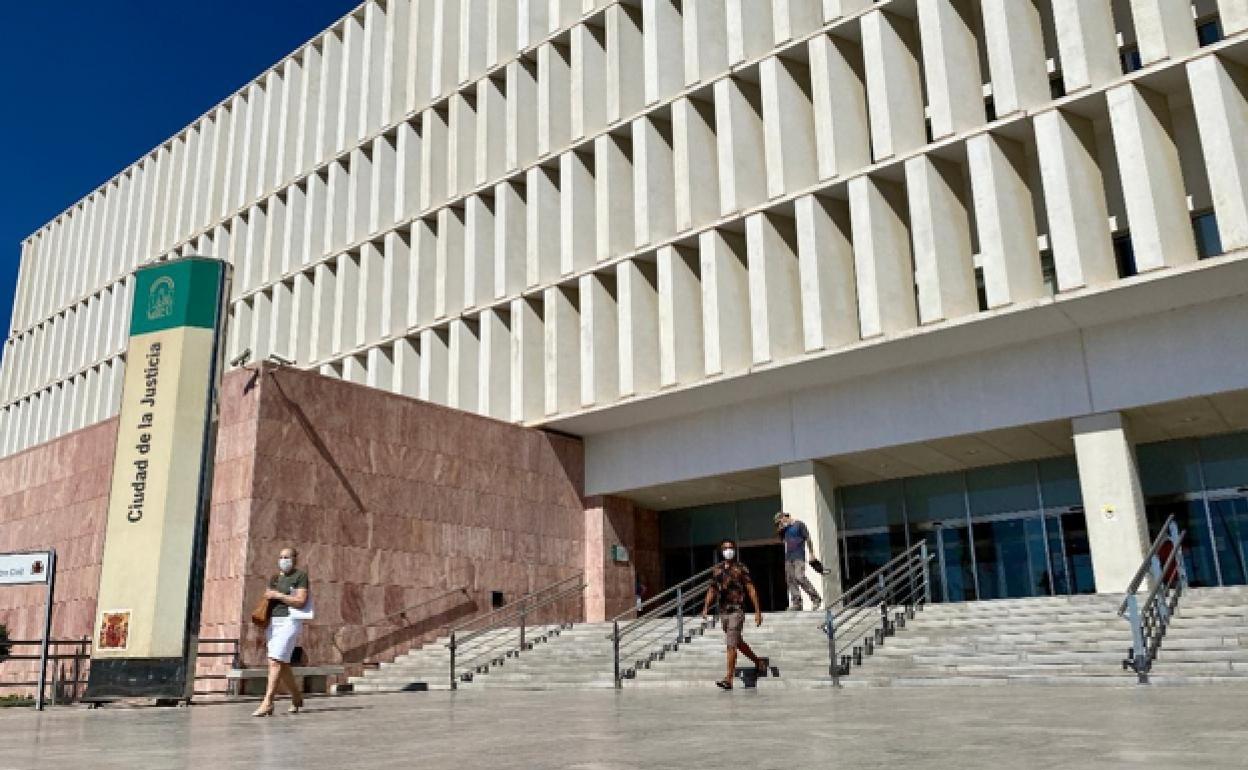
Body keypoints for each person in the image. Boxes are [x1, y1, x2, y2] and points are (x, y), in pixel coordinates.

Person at [700, 539, 768, 690]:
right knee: (737, 643)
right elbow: (712, 589)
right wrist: (705, 607)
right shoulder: (717, 570)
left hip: (737, 611)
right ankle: (758, 662)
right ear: (721, 551)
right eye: (725, 548)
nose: (728, 550)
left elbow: (750, 588)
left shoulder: (741, 568)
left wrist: (758, 611)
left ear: (735, 550)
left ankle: (728, 679)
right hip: (723, 612)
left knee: (731, 644)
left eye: (731, 548)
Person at [253, 547, 310, 717]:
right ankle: (296, 696)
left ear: (294, 559)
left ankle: (268, 702)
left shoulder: (300, 576)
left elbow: (301, 601)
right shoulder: (275, 578)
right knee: (281, 662)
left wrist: (278, 596)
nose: (283, 560)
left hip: (290, 620)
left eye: (287, 557)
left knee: (274, 661)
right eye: (281, 557)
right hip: (274, 622)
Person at [775, 511, 822, 611]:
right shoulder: (784, 529)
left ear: (785, 517)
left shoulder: (799, 524)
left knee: (799, 577)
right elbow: (781, 539)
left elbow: (808, 538)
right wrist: (780, 529)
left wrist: (811, 553)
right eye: (778, 523)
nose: (780, 523)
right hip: (789, 557)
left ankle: (816, 598)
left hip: (799, 555)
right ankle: (797, 603)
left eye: (780, 521)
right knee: (790, 579)